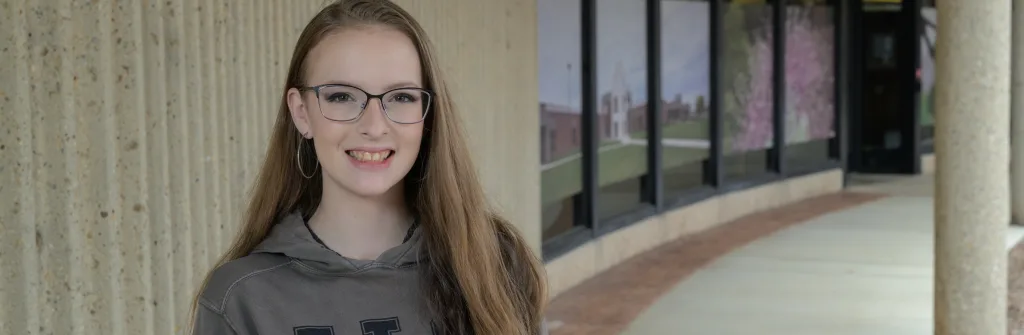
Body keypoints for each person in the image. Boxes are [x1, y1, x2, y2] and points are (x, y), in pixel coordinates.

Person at [188, 1, 549, 334]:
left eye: (401, 97)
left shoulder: (493, 260)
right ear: (301, 113)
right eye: (342, 96)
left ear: (428, 115)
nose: (374, 126)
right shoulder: (240, 298)